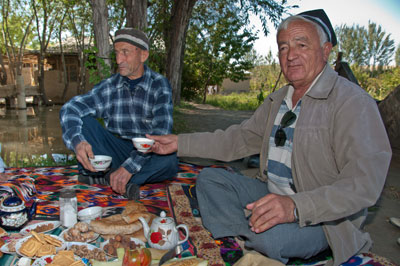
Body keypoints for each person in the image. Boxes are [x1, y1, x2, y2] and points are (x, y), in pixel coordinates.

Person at [148, 9, 392, 266]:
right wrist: (179, 142)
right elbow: (238, 139)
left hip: (324, 217)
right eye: (284, 47)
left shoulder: (352, 103)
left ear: (326, 50)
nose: (291, 55)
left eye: (302, 45)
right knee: (211, 179)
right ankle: (244, 239)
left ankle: (263, 239)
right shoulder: (278, 100)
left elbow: (364, 185)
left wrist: (295, 206)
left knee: (270, 240)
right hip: (271, 191)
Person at [60, 28, 178, 200]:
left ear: (143, 55)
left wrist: (129, 168)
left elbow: (160, 134)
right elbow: (70, 108)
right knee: (83, 122)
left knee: (169, 162)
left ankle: (106, 178)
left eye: (125, 53)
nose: (118, 60)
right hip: (115, 150)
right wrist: (78, 143)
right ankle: (121, 181)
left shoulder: (159, 85)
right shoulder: (109, 85)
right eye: (116, 53)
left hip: (149, 151)